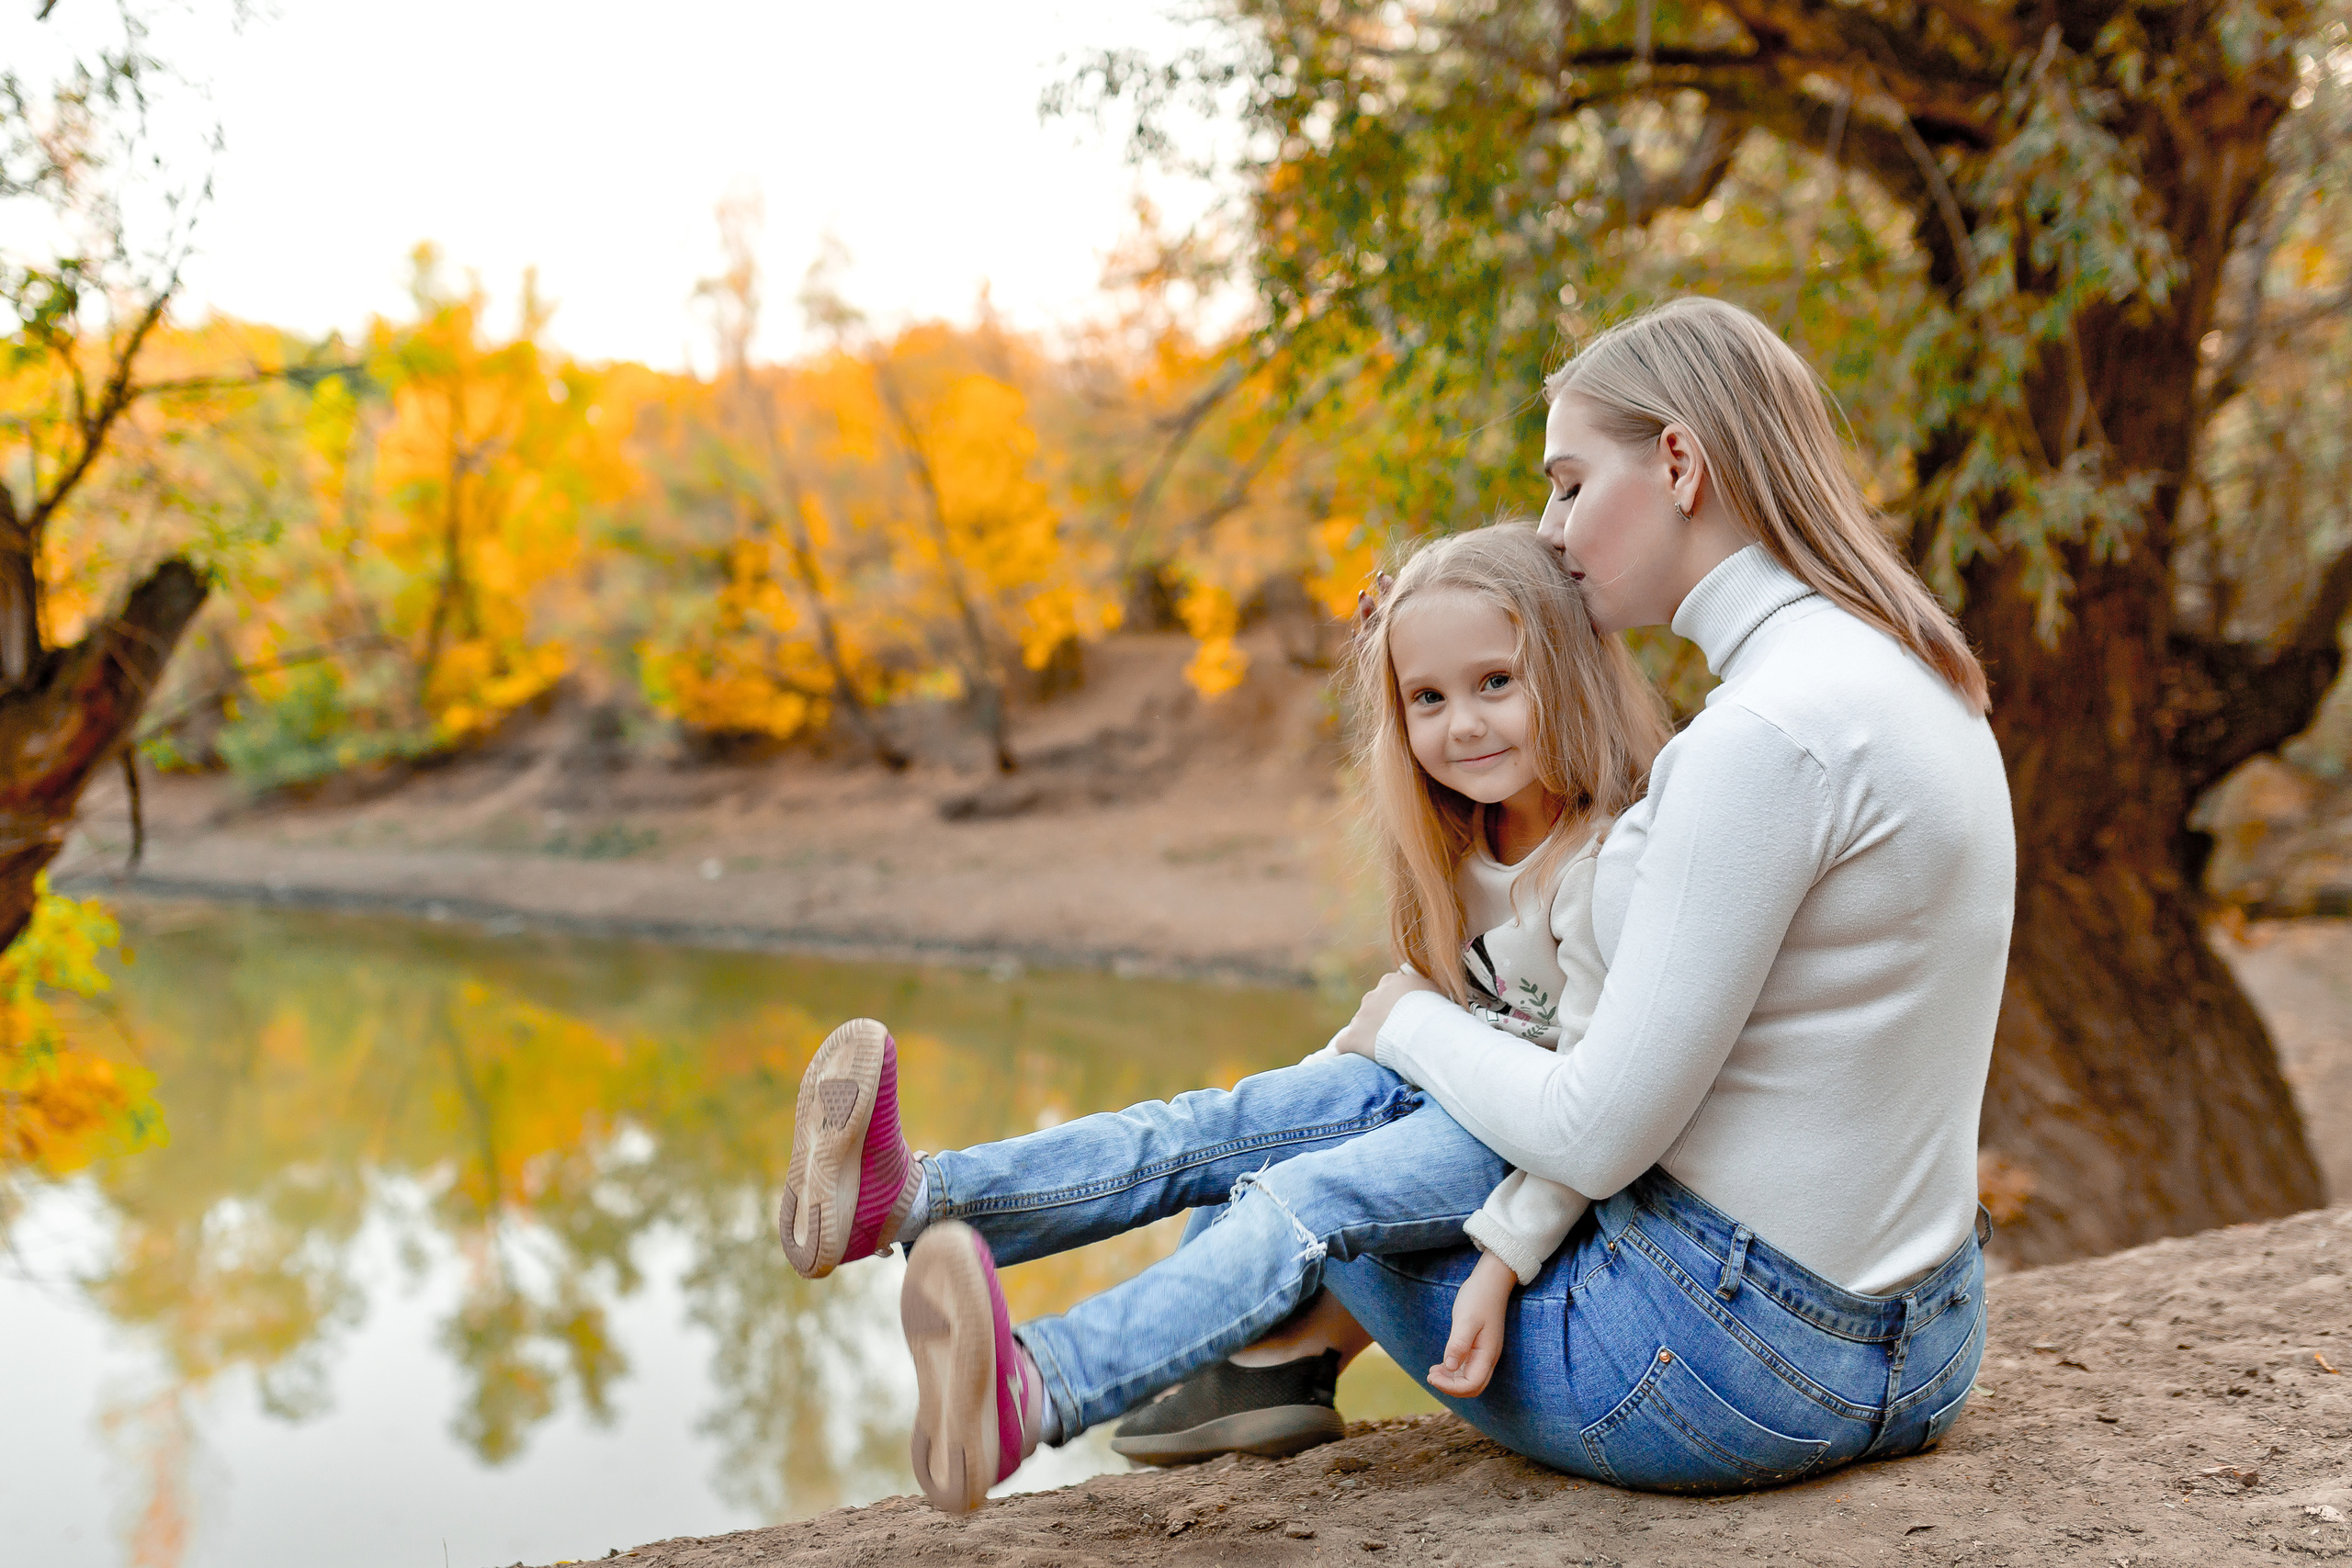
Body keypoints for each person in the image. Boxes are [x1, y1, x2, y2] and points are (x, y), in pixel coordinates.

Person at [796, 294, 2016, 1512]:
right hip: (1919, 1332)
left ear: (1682, 463)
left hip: (1731, 1359)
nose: (1553, 526)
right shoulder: (1909, 673)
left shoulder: (1762, 737)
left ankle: (1073, 1368)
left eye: (1570, 482)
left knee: (1314, 1152)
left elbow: (1594, 1129)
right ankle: (947, 1219)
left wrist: (1406, 1020)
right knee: (1344, 1105)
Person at [780, 521, 1668, 1510]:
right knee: (1202, 1129)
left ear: (1568, 669)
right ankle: (906, 1201)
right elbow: (1411, 1021)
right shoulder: (1466, 839)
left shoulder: (1605, 867)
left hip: (1521, 1144)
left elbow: (1602, 1111)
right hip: (1433, 1092)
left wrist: (1503, 1258)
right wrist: (1295, 1098)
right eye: (1428, 698)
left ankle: (1041, 1387)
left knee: (1296, 1205)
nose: (1461, 724)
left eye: (1494, 683)